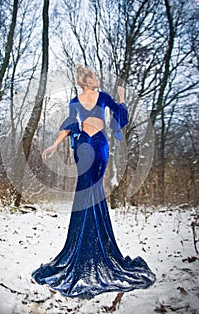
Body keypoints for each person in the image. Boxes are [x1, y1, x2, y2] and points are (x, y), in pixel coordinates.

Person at [31, 64, 156, 299]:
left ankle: (98, 241)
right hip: (83, 146)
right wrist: (55, 145)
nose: (97, 79)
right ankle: (82, 242)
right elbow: (69, 126)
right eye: (94, 77)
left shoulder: (104, 97)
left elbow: (119, 117)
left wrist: (121, 100)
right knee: (84, 189)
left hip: (99, 145)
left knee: (95, 189)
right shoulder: (74, 101)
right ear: (87, 81)